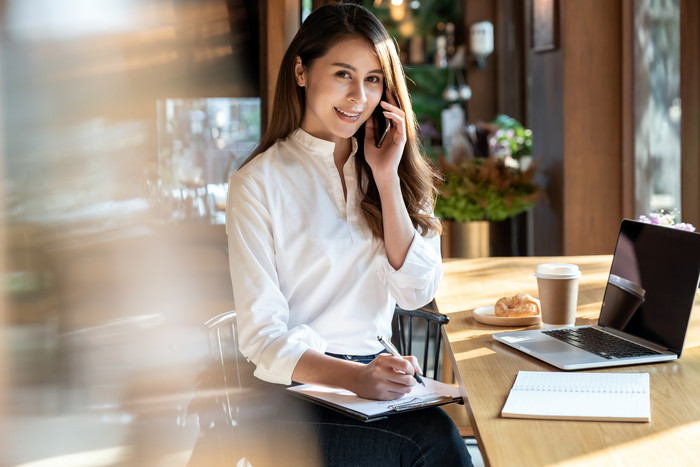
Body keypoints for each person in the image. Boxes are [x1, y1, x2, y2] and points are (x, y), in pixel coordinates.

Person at [226, 3, 472, 466]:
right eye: (343, 74)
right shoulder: (257, 184)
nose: (359, 95)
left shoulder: (390, 167)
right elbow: (262, 336)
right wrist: (356, 379)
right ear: (301, 71)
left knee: (444, 430)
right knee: (433, 442)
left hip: (375, 378)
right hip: (294, 394)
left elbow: (417, 291)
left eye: (374, 79)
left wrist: (385, 178)